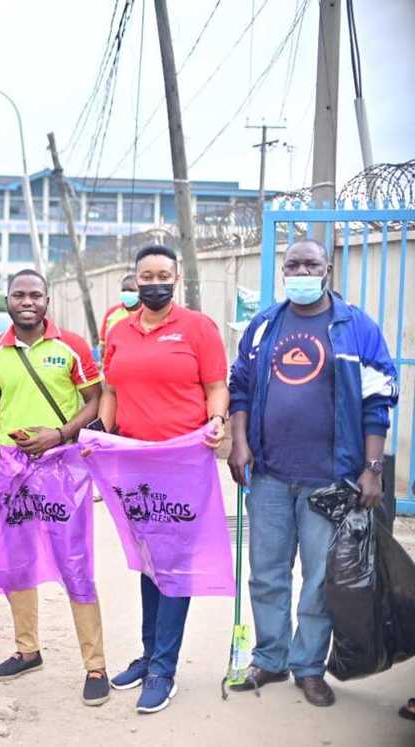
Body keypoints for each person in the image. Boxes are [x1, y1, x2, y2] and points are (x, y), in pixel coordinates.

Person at [227, 239, 398, 708]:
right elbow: (239, 386)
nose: (301, 271)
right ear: (284, 272)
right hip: (268, 476)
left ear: (327, 270)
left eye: (310, 264)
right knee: (266, 573)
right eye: (293, 264)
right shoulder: (264, 326)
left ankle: (308, 666)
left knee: (321, 578)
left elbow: (377, 402)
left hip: (331, 477)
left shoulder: (355, 327)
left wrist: (372, 469)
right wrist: (239, 443)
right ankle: (270, 657)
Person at [99, 244, 228, 714]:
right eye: (146, 275)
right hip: (133, 464)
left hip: (183, 462)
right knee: (149, 559)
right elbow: (110, 390)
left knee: (175, 564)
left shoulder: (198, 328)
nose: (154, 282)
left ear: (175, 278)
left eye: (163, 275)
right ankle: (149, 652)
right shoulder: (119, 330)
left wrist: (216, 422)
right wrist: (103, 436)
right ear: (135, 280)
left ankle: (163, 670)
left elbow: (216, 386)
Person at [0, 269, 110, 706]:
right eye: (18, 294)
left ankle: (96, 665)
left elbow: (96, 400)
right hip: (11, 474)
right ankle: (27, 649)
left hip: (62, 472)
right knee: (17, 564)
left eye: (35, 294)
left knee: (75, 565)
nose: (26, 301)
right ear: (7, 299)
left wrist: (61, 433)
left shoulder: (72, 346)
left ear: (47, 300)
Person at [99, 273, 140, 342]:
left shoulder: (147, 314)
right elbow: (102, 340)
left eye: (131, 290)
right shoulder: (111, 312)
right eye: (123, 290)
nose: (127, 293)